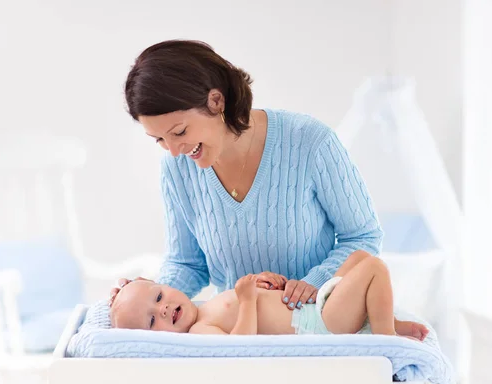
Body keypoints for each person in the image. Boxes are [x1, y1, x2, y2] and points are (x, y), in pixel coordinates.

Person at [113, 39, 383, 310]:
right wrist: (146, 297)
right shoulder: (176, 169)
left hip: (317, 322)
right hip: (239, 333)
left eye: (180, 132)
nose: (173, 151)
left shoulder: (310, 141)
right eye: (159, 139)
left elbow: (363, 237)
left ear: (216, 101)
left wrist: (317, 282)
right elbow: (188, 264)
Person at [110, 250, 429, 340]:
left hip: (313, 305)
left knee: (358, 257)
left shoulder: (206, 305)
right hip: (319, 323)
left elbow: (263, 307)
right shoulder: (199, 330)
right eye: (152, 320)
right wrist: (248, 301)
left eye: (158, 297)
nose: (164, 309)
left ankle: (386, 321)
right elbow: (240, 345)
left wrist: (267, 287)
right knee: (374, 267)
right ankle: (387, 343)